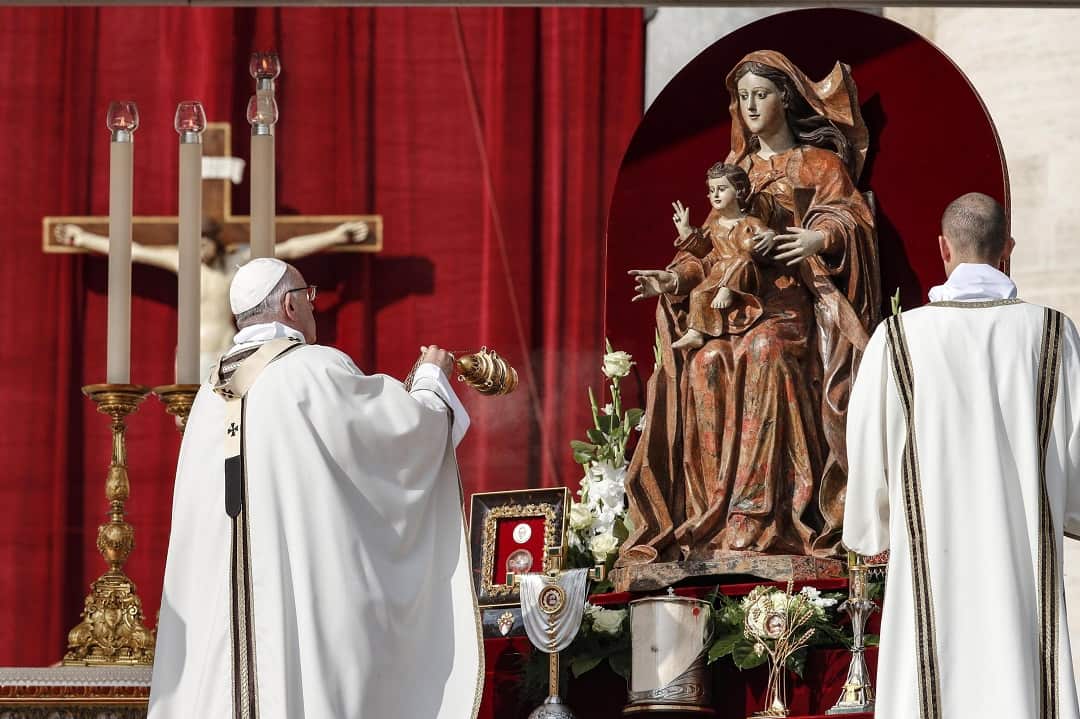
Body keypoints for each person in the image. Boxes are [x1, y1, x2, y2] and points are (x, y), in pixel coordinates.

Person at [148, 258, 482, 719]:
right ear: (289, 304)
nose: (313, 306)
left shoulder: (210, 393)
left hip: (221, 622)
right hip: (298, 600)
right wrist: (429, 380)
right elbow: (402, 440)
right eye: (309, 296)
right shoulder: (311, 370)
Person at [620, 51, 880, 563]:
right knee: (704, 363)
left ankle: (760, 514)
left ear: (785, 97)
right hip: (728, 308)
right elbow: (711, 251)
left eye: (761, 93)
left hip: (790, 306)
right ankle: (712, 514)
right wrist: (672, 278)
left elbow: (856, 221)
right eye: (743, 97)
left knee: (765, 353)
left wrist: (816, 238)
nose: (752, 104)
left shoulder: (820, 164)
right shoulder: (735, 171)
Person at [844, 193, 1080, 719]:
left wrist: (872, 525)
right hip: (1023, 559)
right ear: (1008, 249)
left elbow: (863, 444)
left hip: (929, 562)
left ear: (943, 248)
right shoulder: (1051, 333)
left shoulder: (898, 338)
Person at [55, 218, 369, 380]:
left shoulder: (237, 262)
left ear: (214, 241)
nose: (197, 250)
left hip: (227, 347)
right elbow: (132, 250)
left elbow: (288, 249)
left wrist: (335, 236)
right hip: (192, 353)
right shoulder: (184, 263)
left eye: (202, 243)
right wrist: (82, 238)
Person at [670, 162, 773, 351]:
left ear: (739, 191)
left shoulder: (750, 221)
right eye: (711, 190)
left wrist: (770, 236)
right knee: (698, 293)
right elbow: (703, 251)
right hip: (719, 273)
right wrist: (686, 232)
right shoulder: (715, 225)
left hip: (746, 273)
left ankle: (728, 289)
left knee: (743, 258)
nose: (715, 194)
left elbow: (767, 234)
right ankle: (695, 333)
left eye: (722, 189)